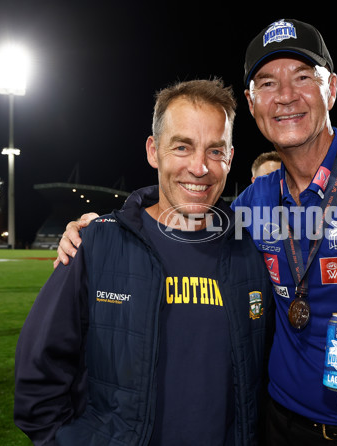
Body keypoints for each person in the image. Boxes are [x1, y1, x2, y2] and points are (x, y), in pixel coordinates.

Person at [56, 19, 337, 445]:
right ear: (252, 103)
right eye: (267, 83)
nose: (285, 96)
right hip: (280, 426)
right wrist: (109, 225)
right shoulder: (252, 202)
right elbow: (180, 218)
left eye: (302, 78)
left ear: (331, 88)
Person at [14, 79, 274, 446]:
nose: (199, 167)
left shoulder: (252, 253)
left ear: (230, 157)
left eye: (215, 151)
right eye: (182, 147)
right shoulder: (95, 245)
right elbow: (37, 374)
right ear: (154, 151)